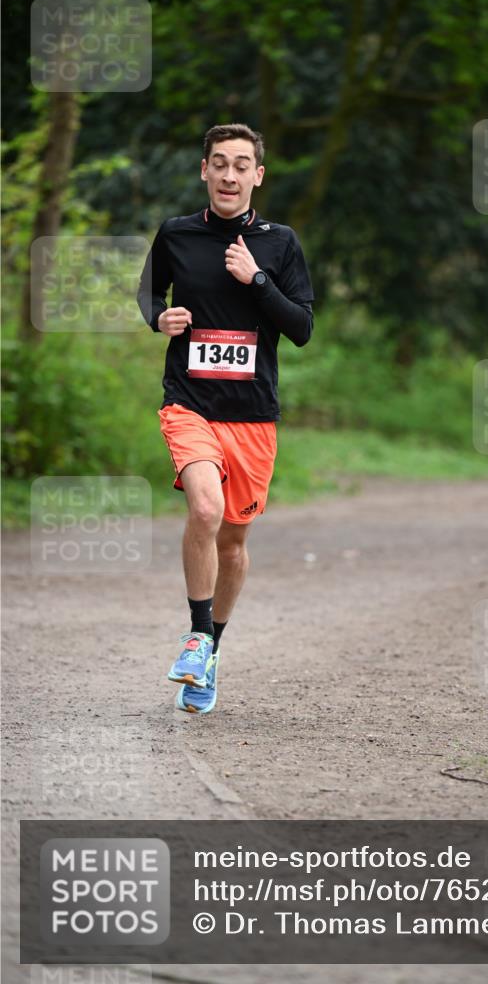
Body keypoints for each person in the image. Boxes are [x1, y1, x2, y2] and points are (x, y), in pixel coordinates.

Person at [137, 123, 314, 714]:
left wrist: (257, 279)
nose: (230, 175)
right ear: (205, 171)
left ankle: (210, 648)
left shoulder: (280, 243)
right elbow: (148, 295)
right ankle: (194, 632)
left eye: (242, 165)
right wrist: (158, 320)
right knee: (205, 509)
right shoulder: (177, 234)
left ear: (257, 175)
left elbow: (302, 328)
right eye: (220, 163)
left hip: (253, 416)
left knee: (234, 542)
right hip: (189, 401)